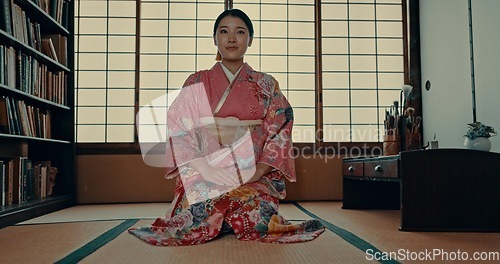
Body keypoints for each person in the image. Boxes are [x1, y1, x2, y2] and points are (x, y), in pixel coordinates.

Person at [129, 8, 325, 246]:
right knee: (199, 209)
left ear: (250, 39)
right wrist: (206, 169)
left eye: (240, 32)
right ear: (215, 39)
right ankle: (222, 218)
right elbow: (179, 128)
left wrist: (257, 172)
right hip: (205, 169)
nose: (232, 38)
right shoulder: (196, 81)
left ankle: (228, 219)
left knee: (258, 214)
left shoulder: (266, 84)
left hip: (251, 169)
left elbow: (279, 130)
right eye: (224, 31)